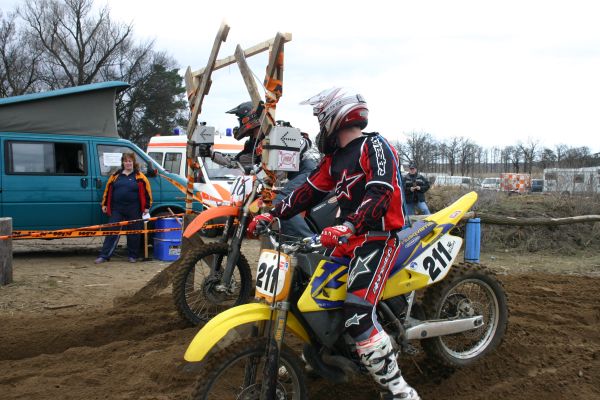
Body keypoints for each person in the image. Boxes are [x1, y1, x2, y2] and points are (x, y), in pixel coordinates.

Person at [247, 88, 420, 400]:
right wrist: (272, 214)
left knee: (357, 312)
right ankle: (325, 355)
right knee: (312, 297)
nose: (319, 124)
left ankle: (401, 391)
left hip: (377, 240)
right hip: (347, 240)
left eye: (320, 117)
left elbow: (381, 191)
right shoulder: (334, 158)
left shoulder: (374, 146)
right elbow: (308, 191)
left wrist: (348, 225)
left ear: (336, 115)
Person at [212, 101, 316, 238]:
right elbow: (236, 162)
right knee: (272, 201)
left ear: (249, 117)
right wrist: (211, 154)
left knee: (281, 202)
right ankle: (284, 239)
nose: (238, 124)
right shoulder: (253, 143)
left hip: (306, 170)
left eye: (239, 119)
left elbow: (305, 142)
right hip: (290, 178)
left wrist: (280, 151)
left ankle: (307, 239)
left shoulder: (277, 129)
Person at [95, 153, 152, 264]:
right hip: (117, 209)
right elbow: (107, 191)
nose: (128, 163)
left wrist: (147, 207)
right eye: (126, 161)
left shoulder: (140, 177)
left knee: (134, 232)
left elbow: (148, 193)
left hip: (134, 208)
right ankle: (104, 256)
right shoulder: (115, 176)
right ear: (122, 163)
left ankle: (132, 256)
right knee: (112, 230)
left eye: (130, 161)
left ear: (133, 162)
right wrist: (104, 204)